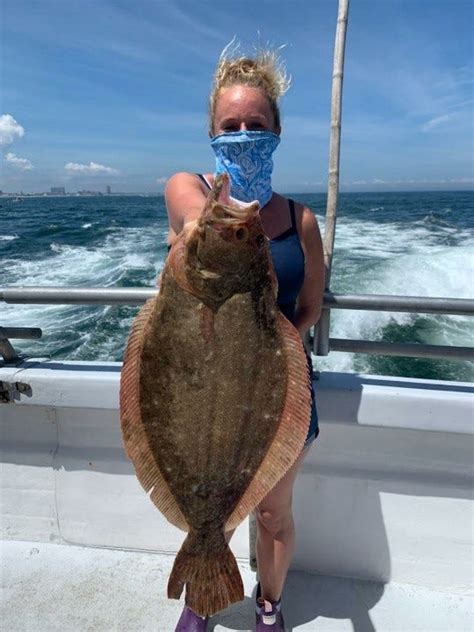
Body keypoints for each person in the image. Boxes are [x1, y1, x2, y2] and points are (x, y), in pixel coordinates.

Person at [165, 43, 325, 632]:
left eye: (256, 125)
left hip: (280, 392)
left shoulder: (301, 220)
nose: (243, 133)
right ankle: (202, 600)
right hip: (205, 388)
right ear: (211, 132)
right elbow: (190, 228)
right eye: (229, 125)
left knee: (273, 512)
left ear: (277, 132)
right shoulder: (186, 188)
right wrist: (222, 212)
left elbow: (308, 305)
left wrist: (273, 347)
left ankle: (268, 605)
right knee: (215, 511)